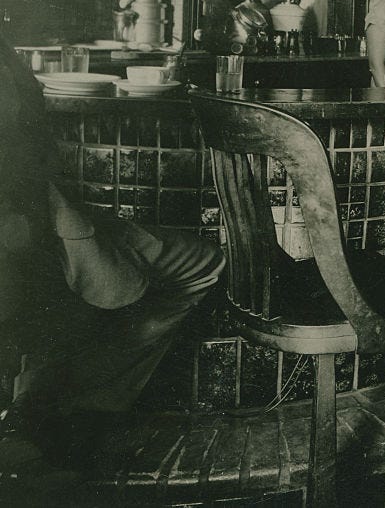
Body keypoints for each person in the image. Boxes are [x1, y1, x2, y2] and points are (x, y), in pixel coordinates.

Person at [0, 40, 224, 475]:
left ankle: (40, 406)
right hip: (28, 245)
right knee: (201, 263)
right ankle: (48, 406)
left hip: (34, 237)